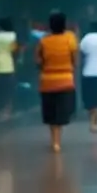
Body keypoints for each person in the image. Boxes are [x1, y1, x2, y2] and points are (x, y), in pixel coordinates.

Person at [36, 12, 79, 152]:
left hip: (47, 81)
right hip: (66, 80)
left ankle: (54, 140)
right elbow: (75, 60)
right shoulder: (70, 38)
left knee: (51, 113)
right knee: (61, 112)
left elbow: (37, 60)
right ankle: (57, 141)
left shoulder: (44, 41)